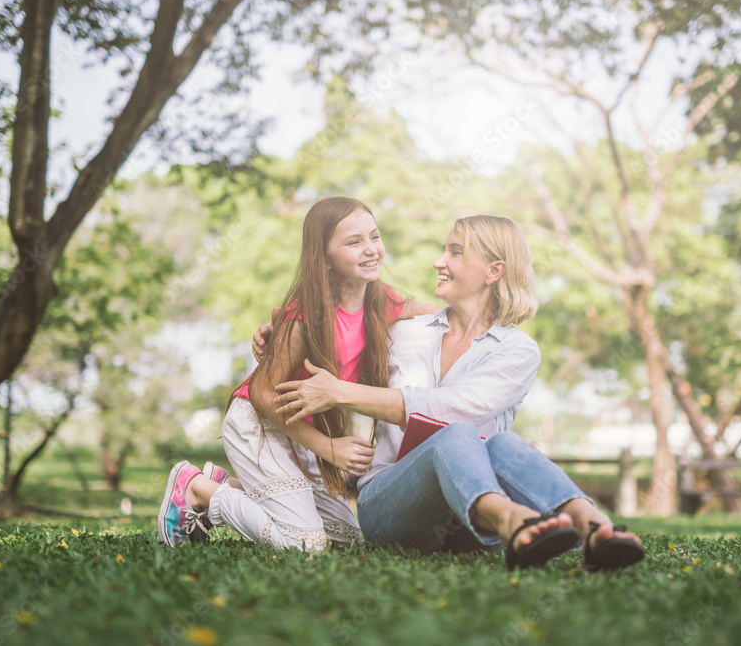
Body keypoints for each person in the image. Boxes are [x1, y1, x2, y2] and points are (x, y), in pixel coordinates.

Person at [270, 215, 645, 570]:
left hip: (468, 528)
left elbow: (448, 408)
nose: (439, 261)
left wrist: (341, 392)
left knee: (501, 444)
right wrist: (278, 339)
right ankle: (510, 518)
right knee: (461, 433)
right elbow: (333, 339)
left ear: (493, 271)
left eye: (455, 251)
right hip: (391, 507)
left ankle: (593, 526)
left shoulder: (517, 350)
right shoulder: (404, 330)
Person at [157, 196, 435, 551]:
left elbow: (433, 312)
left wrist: (482, 310)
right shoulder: (308, 314)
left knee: (346, 538)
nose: (371, 249)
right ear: (325, 259)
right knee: (307, 544)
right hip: (259, 423)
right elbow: (262, 393)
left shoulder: (380, 302)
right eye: (354, 242)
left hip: (299, 430)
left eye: (374, 237)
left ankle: (229, 484)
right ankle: (198, 488)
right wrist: (328, 447)